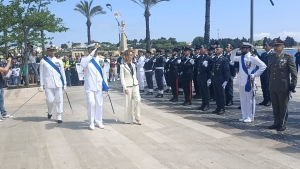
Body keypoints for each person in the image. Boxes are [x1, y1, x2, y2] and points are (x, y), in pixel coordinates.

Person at [230, 42, 266, 123]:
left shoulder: (253, 57)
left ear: (248, 49)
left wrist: (255, 74)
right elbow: (232, 58)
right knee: (242, 99)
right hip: (241, 81)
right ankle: (244, 115)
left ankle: (250, 116)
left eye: (244, 48)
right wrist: (233, 52)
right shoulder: (240, 57)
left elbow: (263, 66)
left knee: (250, 99)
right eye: (242, 48)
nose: (242, 50)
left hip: (250, 81)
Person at [267, 38, 297, 131]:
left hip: (283, 86)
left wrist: (293, 84)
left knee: (283, 106)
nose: (275, 48)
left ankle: (283, 124)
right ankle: (276, 123)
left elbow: (293, 72)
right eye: (274, 46)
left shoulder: (288, 57)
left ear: (283, 47)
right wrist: (269, 82)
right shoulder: (272, 57)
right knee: (275, 106)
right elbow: (269, 71)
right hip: (273, 86)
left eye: (278, 46)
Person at [81, 44, 108, 130]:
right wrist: (91, 55)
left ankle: (98, 121)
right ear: (89, 50)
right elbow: (83, 65)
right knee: (91, 103)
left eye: (96, 50)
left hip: (99, 86)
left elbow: (104, 74)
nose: (95, 52)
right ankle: (91, 122)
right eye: (93, 50)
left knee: (99, 104)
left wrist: (106, 86)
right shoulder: (85, 60)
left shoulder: (100, 60)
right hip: (89, 86)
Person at [39, 45, 66, 123]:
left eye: (53, 50)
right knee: (50, 100)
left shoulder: (59, 61)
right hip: (48, 84)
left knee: (59, 100)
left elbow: (62, 73)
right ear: (47, 51)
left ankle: (59, 115)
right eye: (50, 51)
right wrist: (41, 85)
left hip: (58, 83)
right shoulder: (43, 61)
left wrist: (65, 84)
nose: (52, 52)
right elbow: (41, 73)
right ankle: (50, 110)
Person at [120, 49, 141, 125]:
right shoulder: (122, 66)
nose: (131, 56)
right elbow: (122, 78)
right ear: (126, 56)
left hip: (135, 84)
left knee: (138, 99)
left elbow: (134, 75)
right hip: (128, 85)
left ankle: (137, 117)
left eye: (132, 55)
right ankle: (128, 119)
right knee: (128, 103)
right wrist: (124, 88)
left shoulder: (133, 65)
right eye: (130, 55)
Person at [211, 45, 229, 115]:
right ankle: (218, 107)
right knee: (217, 94)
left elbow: (226, 70)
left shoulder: (224, 59)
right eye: (216, 49)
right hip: (215, 78)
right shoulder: (215, 58)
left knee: (221, 94)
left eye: (218, 49)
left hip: (221, 78)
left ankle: (222, 108)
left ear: (222, 50)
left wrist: (226, 80)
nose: (216, 50)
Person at [258, 41, 273, 106]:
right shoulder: (263, 54)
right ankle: (265, 99)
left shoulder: (272, 54)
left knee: (268, 87)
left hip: (269, 73)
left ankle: (269, 100)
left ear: (270, 47)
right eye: (265, 46)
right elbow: (260, 61)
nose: (265, 47)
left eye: (266, 46)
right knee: (263, 87)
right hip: (263, 73)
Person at [197, 45, 211, 111]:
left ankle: (207, 104)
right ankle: (203, 104)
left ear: (205, 49)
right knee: (201, 91)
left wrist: (209, 78)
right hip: (199, 75)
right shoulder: (200, 57)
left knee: (206, 91)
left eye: (201, 49)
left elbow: (210, 69)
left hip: (205, 76)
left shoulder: (208, 57)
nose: (200, 50)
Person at [0, 57, 13, 121]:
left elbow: (4, 73)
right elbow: (4, 70)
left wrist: (8, 67)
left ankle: (4, 114)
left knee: (1, 101)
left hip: (1, 86)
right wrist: (9, 62)